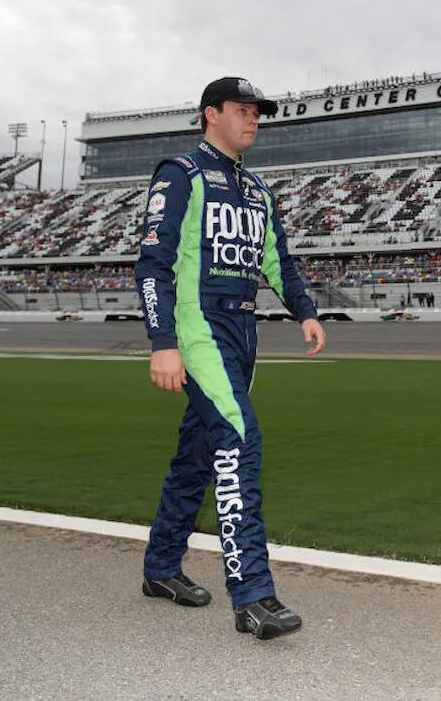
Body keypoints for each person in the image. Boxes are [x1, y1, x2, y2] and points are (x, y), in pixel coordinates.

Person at [134, 76, 327, 640]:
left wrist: (306, 310)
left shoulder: (258, 190)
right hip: (199, 329)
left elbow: (279, 263)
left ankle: (161, 568)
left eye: (257, 112)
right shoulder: (181, 174)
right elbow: (152, 265)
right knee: (240, 442)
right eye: (243, 110)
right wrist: (163, 342)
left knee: (198, 452)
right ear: (209, 114)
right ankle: (253, 597)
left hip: (243, 329)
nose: (253, 120)